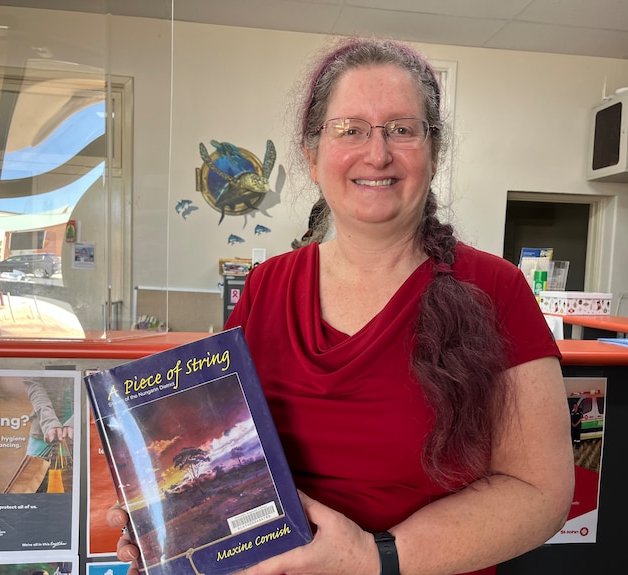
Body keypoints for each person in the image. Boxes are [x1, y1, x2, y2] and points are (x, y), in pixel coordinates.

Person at [108, 36, 574, 575]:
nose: (377, 153)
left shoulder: (497, 288)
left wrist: (375, 559)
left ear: (434, 151)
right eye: (349, 130)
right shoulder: (265, 287)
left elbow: (540, 492)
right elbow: (220, 449)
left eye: (402, 129)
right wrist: (168, 515)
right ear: (312, 156)